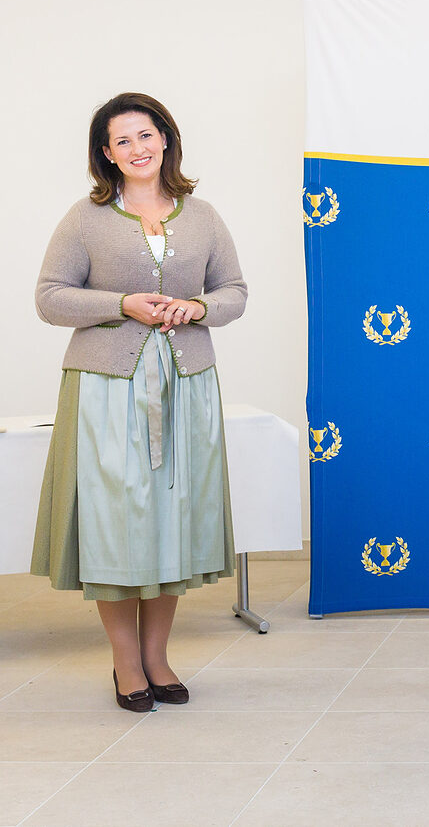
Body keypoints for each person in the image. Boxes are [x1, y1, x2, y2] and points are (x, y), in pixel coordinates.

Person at [33, 92, 247, 712]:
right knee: (115, 524)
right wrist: (119, 304)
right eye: (122, 141)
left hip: (187, 384)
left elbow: (234, 291)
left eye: (146, 136)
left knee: (171, 520)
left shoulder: (202, 215)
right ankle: (126, 665)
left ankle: (158, 657)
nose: (137, 149)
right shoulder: (85, 217)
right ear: (106, 154)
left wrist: (199, 308)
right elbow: (49, 298)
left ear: (166, 140)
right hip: (107, 388)